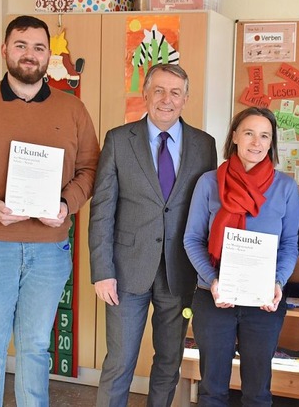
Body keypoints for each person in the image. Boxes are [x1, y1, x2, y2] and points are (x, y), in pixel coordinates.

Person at [0, 15, 100, 406]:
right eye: (21, 45)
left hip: (49, 249)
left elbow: (90, 169)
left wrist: (66, 204)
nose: (30, 54)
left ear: (48, 56)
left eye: (39, 47)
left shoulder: (73, 109)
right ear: (5, 50)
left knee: (35, 348)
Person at [89, 63, 217, 407]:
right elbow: (102, 209)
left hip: (180, 273)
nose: (166, 99)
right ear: (145, 94)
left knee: (168, 363)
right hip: (126, 272)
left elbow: (208, 212)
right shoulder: (118, 140)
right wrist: (102, 271)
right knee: (119, 363)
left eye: (175, 92)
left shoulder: (205, 145)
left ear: (186, 99)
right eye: (158, 90)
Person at [183, 106, 299, 406]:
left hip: (264, 300)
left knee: (258, 392)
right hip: (214, 296)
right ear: (234, 136)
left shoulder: (285, 187)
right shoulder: (209, 183)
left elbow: (289, 243)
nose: (256, 142)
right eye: (249, 133)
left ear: (272, 143)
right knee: (212, 389)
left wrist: (277, 281)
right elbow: (192, 239)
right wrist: (212, 281)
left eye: (265, 136)